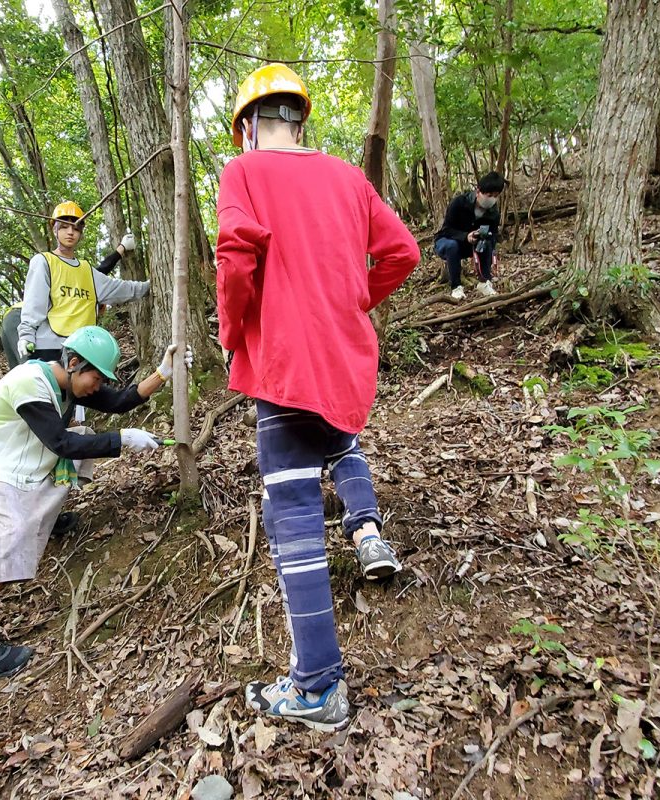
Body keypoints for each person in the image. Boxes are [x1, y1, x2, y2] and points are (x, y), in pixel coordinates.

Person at [216, 63, 420, 731]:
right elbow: (403, 253)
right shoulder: (345, 177)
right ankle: (367, 537)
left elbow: (237, 256)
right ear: (299, 119)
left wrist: (229, 334)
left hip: (282, 368)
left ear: (247, 127)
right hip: (341, 364)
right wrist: (354, 302)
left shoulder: (243, 172)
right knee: (342, 448)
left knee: (296, 518)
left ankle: (317, 688)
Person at [0, 325, 192, 677]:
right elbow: (60, 445)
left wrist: (163, 372)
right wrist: (122, 439)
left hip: (18, 461)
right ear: (74, 362)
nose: (98, 385)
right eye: (96, 376)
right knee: (12, 530)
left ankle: (44, 519)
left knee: (83, 438)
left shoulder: (70, 383)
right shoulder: (30, 383)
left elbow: (120, 401)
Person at [10, 202, 148, 367]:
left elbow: (123, 288)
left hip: (82, 350)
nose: (70, 232)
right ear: (55, 229)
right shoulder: (43, 262)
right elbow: (34, 303)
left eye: (76, 228)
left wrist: (150, 286)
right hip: (49, 348)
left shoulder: (87, 271)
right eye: (64, 227)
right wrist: (26, 335)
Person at [433, 171, 505, 300]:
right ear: (478, 191)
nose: (492, 199)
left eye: (495, 196)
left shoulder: (493, 213)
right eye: (489, 195)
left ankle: (484, 281)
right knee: (451, 245)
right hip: (448, 241)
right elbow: (447, 230)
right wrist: (466, 236)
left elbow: (493, 235)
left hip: (472, 246)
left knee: (487, 242)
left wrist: (485, 239)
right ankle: (456, 287)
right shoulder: (459, 203)